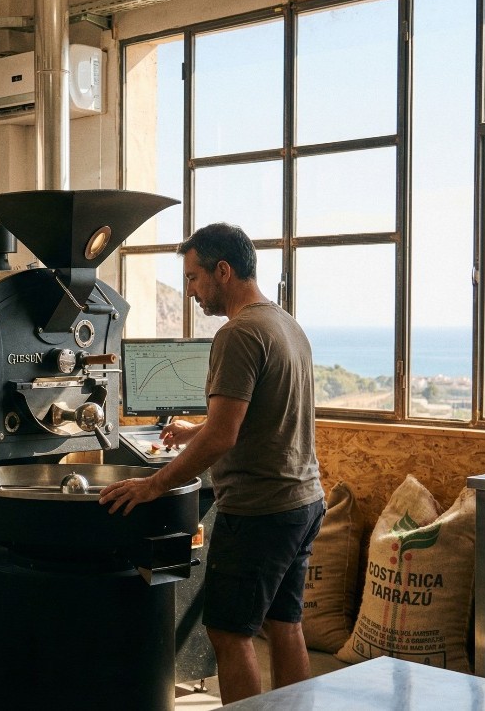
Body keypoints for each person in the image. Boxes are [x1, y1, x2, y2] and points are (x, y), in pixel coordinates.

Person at [98, 222, 325, 704]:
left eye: (193, 278)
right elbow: (254, 421)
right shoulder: (286, 324)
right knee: (285, 625)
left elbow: (224, 436)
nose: (191, 292)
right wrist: (190, 432)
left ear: (223, 271)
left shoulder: (237, 334)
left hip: (259, 510)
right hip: (302, 502)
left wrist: (153, 485)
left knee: (228, 633)